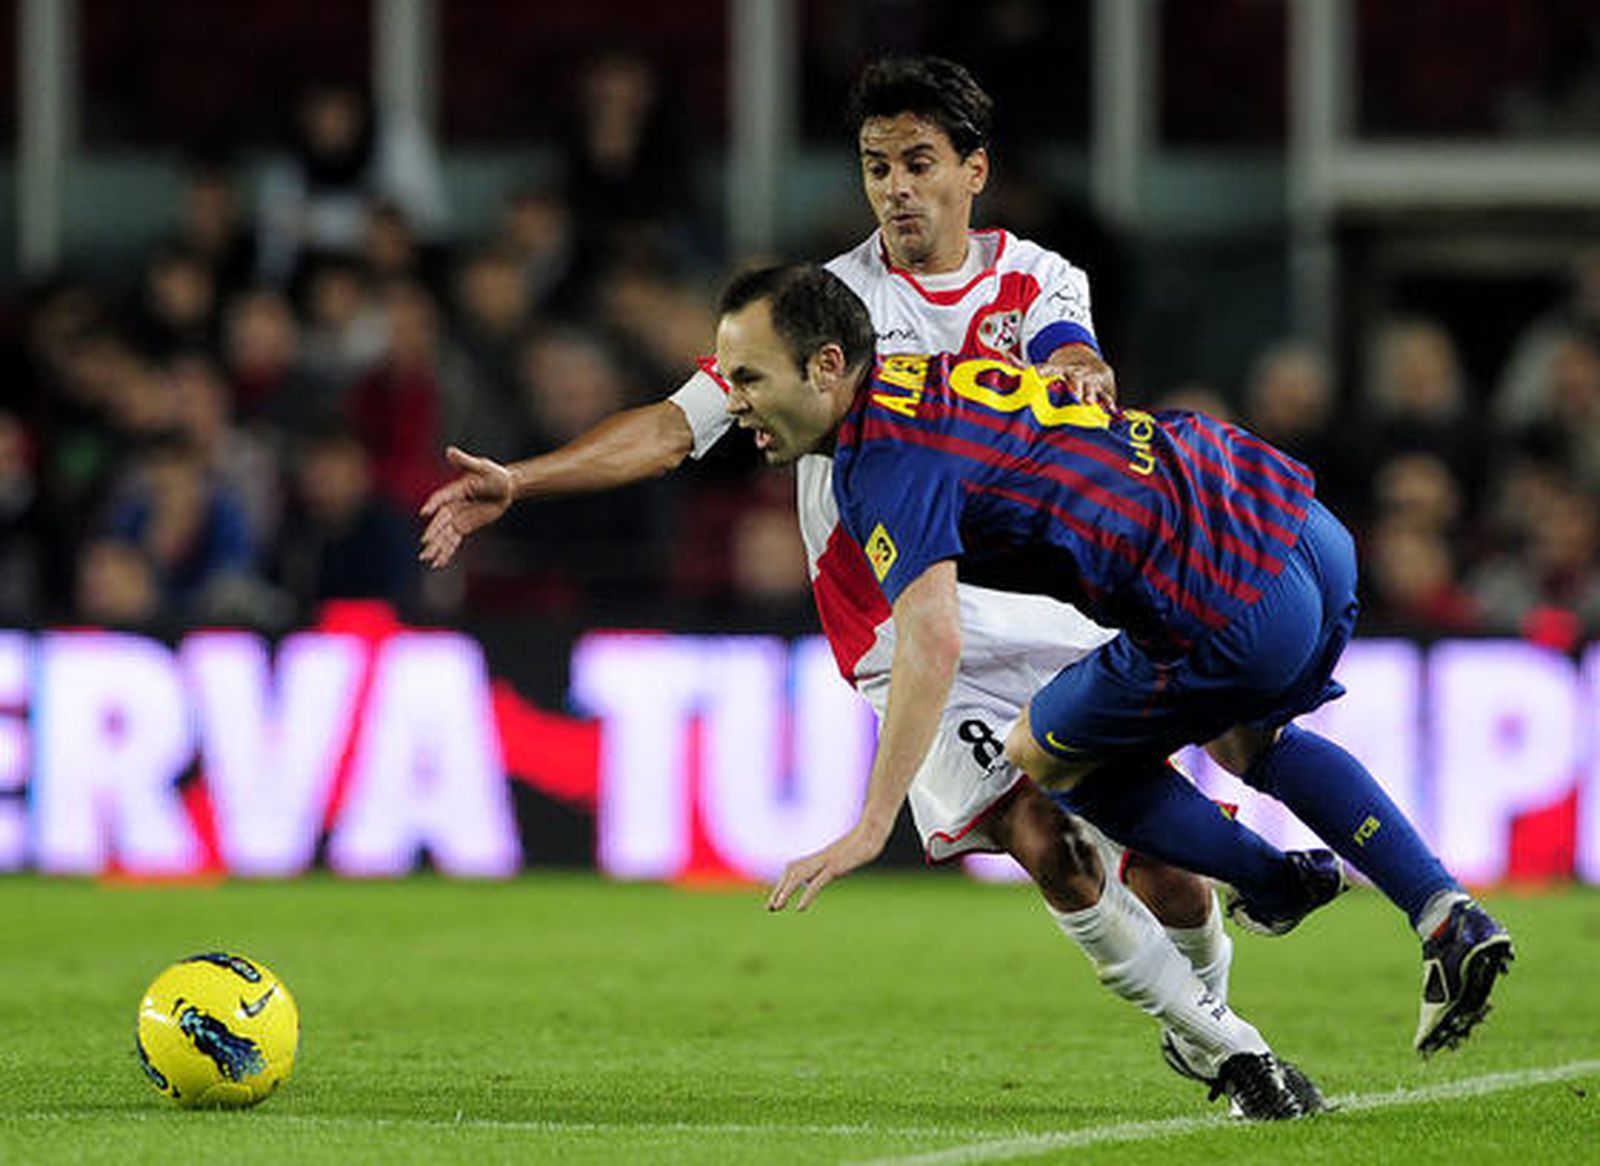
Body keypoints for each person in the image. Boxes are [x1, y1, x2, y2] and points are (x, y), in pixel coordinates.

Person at [420, 57, 1332, 1117]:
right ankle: (1237, 1054)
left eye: (917, 163)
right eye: (874, 166)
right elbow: (677, 424)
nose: (895, 187)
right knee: (1047, 843)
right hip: (900, 622)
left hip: (1048, 609)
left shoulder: (1038, 278)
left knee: (1165, 859)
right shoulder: (821, 308)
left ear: (970, 170)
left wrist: (1079, 374)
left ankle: (1201, 1008)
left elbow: (1067, 352)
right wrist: (520, 480)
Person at [713, 261, 1516, 1062]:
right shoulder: (933, 374)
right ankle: (1443, 910)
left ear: (825, 366)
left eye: (747, 377)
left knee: (1041, 751)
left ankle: (1273, 882)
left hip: (1217, 594)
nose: (734, 400)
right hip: (1293, 520)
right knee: (1250, 741)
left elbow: (931, 640)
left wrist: (871, 825)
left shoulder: (878, 462)